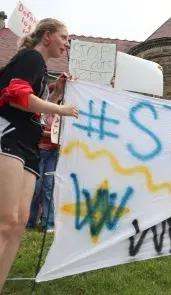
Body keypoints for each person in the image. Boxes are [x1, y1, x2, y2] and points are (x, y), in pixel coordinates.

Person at [0, 18, 79, 291]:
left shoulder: (42, 69)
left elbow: (36, 109)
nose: (67, 43)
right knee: (6, 219)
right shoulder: (31, 57)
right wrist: (62, 109)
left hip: (29, 146)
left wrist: (55, 94)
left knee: (19, 223)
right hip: (9, 137)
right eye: (64, 37)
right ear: (47, 36)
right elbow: (17, 98)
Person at [26, 84, 59, 232]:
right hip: (38, 152)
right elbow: (36, 130)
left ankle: (48, 224)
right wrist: (52, 135)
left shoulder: (59, 114)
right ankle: (29, 222)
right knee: (35, 188)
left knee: (48, 188)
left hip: (53, 154)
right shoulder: (40, 112)